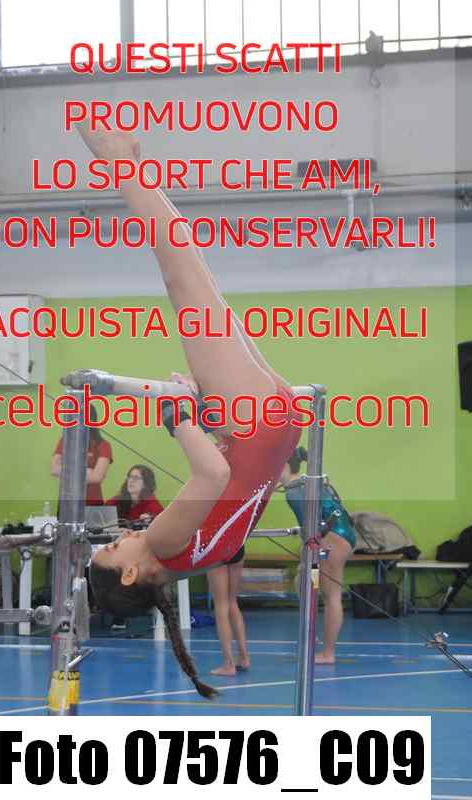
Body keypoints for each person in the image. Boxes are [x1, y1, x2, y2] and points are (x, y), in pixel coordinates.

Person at [80, 124, 302, 698]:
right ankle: (121, 163)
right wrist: (179, 414)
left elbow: (238, 490)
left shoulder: (196, 561)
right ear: (131, 571)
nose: (120, 536)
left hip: (268, 428)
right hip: (251, 424)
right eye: (114, 548)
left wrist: (201, 417)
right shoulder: (164, 542)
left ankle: (131, 165)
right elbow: (214, 474)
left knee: (197, 279)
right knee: (182, 276)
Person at [278, 446, 356, 665]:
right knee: (304, 582)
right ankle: (313, 636)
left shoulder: (295, 491)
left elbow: (311, 528)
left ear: (284, 466)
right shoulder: (304, 483)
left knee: (331, 596)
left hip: (333, 539)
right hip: (338, 535)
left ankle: (328, 653)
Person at [51, 406, 112, 505]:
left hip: (92, 503)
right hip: (67, 501)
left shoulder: (103, 445)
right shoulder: (65, 441)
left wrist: (67, 470)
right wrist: (88, 472)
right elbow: (54, 470)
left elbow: (97, 477)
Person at [207, 546, 250, 676]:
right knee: (232, 601)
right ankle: (244, 658)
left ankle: (228, 664)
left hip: (217, 550)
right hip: (237, 548)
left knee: (221, 605)